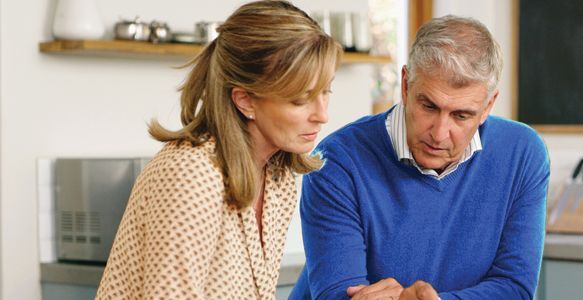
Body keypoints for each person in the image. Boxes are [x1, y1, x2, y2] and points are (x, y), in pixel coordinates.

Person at [290, 15, 550, 300]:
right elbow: (338, 295)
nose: (439, 134)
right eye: (428, 106)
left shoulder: (522, 154)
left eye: (461, 116)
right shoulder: (337, 160)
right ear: (405, 85)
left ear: (488, 106)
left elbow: (515, 288)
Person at [95, 1, 341, 299]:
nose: (322, 115)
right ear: (245, 101)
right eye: (301, 100)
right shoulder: (191, 175)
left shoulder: (278, 179)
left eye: (325, 92)